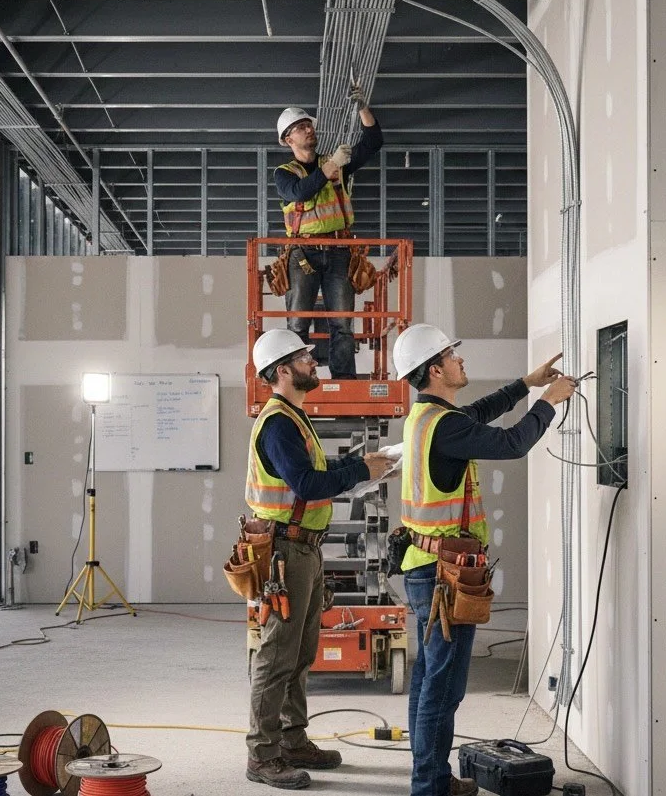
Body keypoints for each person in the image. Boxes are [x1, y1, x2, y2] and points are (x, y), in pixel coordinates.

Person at [391, 324, 577, 796]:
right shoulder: (445, 426)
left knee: (430, 678)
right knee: (443, 685)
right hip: (443, 575)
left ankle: (431, 778)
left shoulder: (427, 417)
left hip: (423, 563)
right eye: (453, 355)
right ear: (435, 368)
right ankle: (429, 787)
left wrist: (526, 383)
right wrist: (548, 402)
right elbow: (512, 444)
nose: (461, 361)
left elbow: (476, 413)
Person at [245, 328, 394, 789]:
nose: (315, 362)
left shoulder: (294, 416)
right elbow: (306, 484)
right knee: (276, 656)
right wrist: (358, 471)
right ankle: (262, 755)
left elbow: (317, 474)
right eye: (305, 357)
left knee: (301, 652)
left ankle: (292, 740)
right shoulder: (277, 423)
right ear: (283, 370)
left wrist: (358, 468)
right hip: (285, 551)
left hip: (303, 548)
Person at [273, 83, 383, 379]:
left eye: (309, 125)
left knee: (342, 323)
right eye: (300, 127)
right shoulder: (284, 173)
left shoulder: (337, 166)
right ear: (287, 140)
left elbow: (373, 141)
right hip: (302, 254)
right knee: (297, 324)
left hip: (338, 251)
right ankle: (297, 379)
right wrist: (332, 164)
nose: (308, 129)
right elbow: (301, 193)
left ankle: (344, 381)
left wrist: (363, 109)